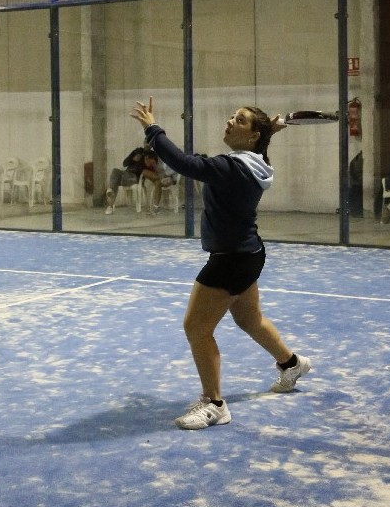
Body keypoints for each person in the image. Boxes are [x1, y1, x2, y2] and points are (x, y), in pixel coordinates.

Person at [130, 97, 311, 430]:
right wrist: (269, 132)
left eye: (239, 120)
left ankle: (214, 404)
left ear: (253, 136)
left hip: (230, 261)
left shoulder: (231, 168)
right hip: (248, 255)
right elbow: (255, 149)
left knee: (196, 328)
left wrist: (152, 129)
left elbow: (183, 163)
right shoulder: (256, 162)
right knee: (250, 320)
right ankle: (291, 364)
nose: (230, 121)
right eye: (231, 116)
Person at [105, 141, 149, 215]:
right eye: (146, 142)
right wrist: (133, 159)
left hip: (135, 177)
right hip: (126, 174)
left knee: (115, 182)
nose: (147, 145)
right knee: (115, 171)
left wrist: (144, 161)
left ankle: (110, 205)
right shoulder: (137, 151)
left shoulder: (151, 154)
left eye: (149, 143)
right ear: (144, 143)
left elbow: (149, 168)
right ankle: (110, 196)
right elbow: (124, 163)